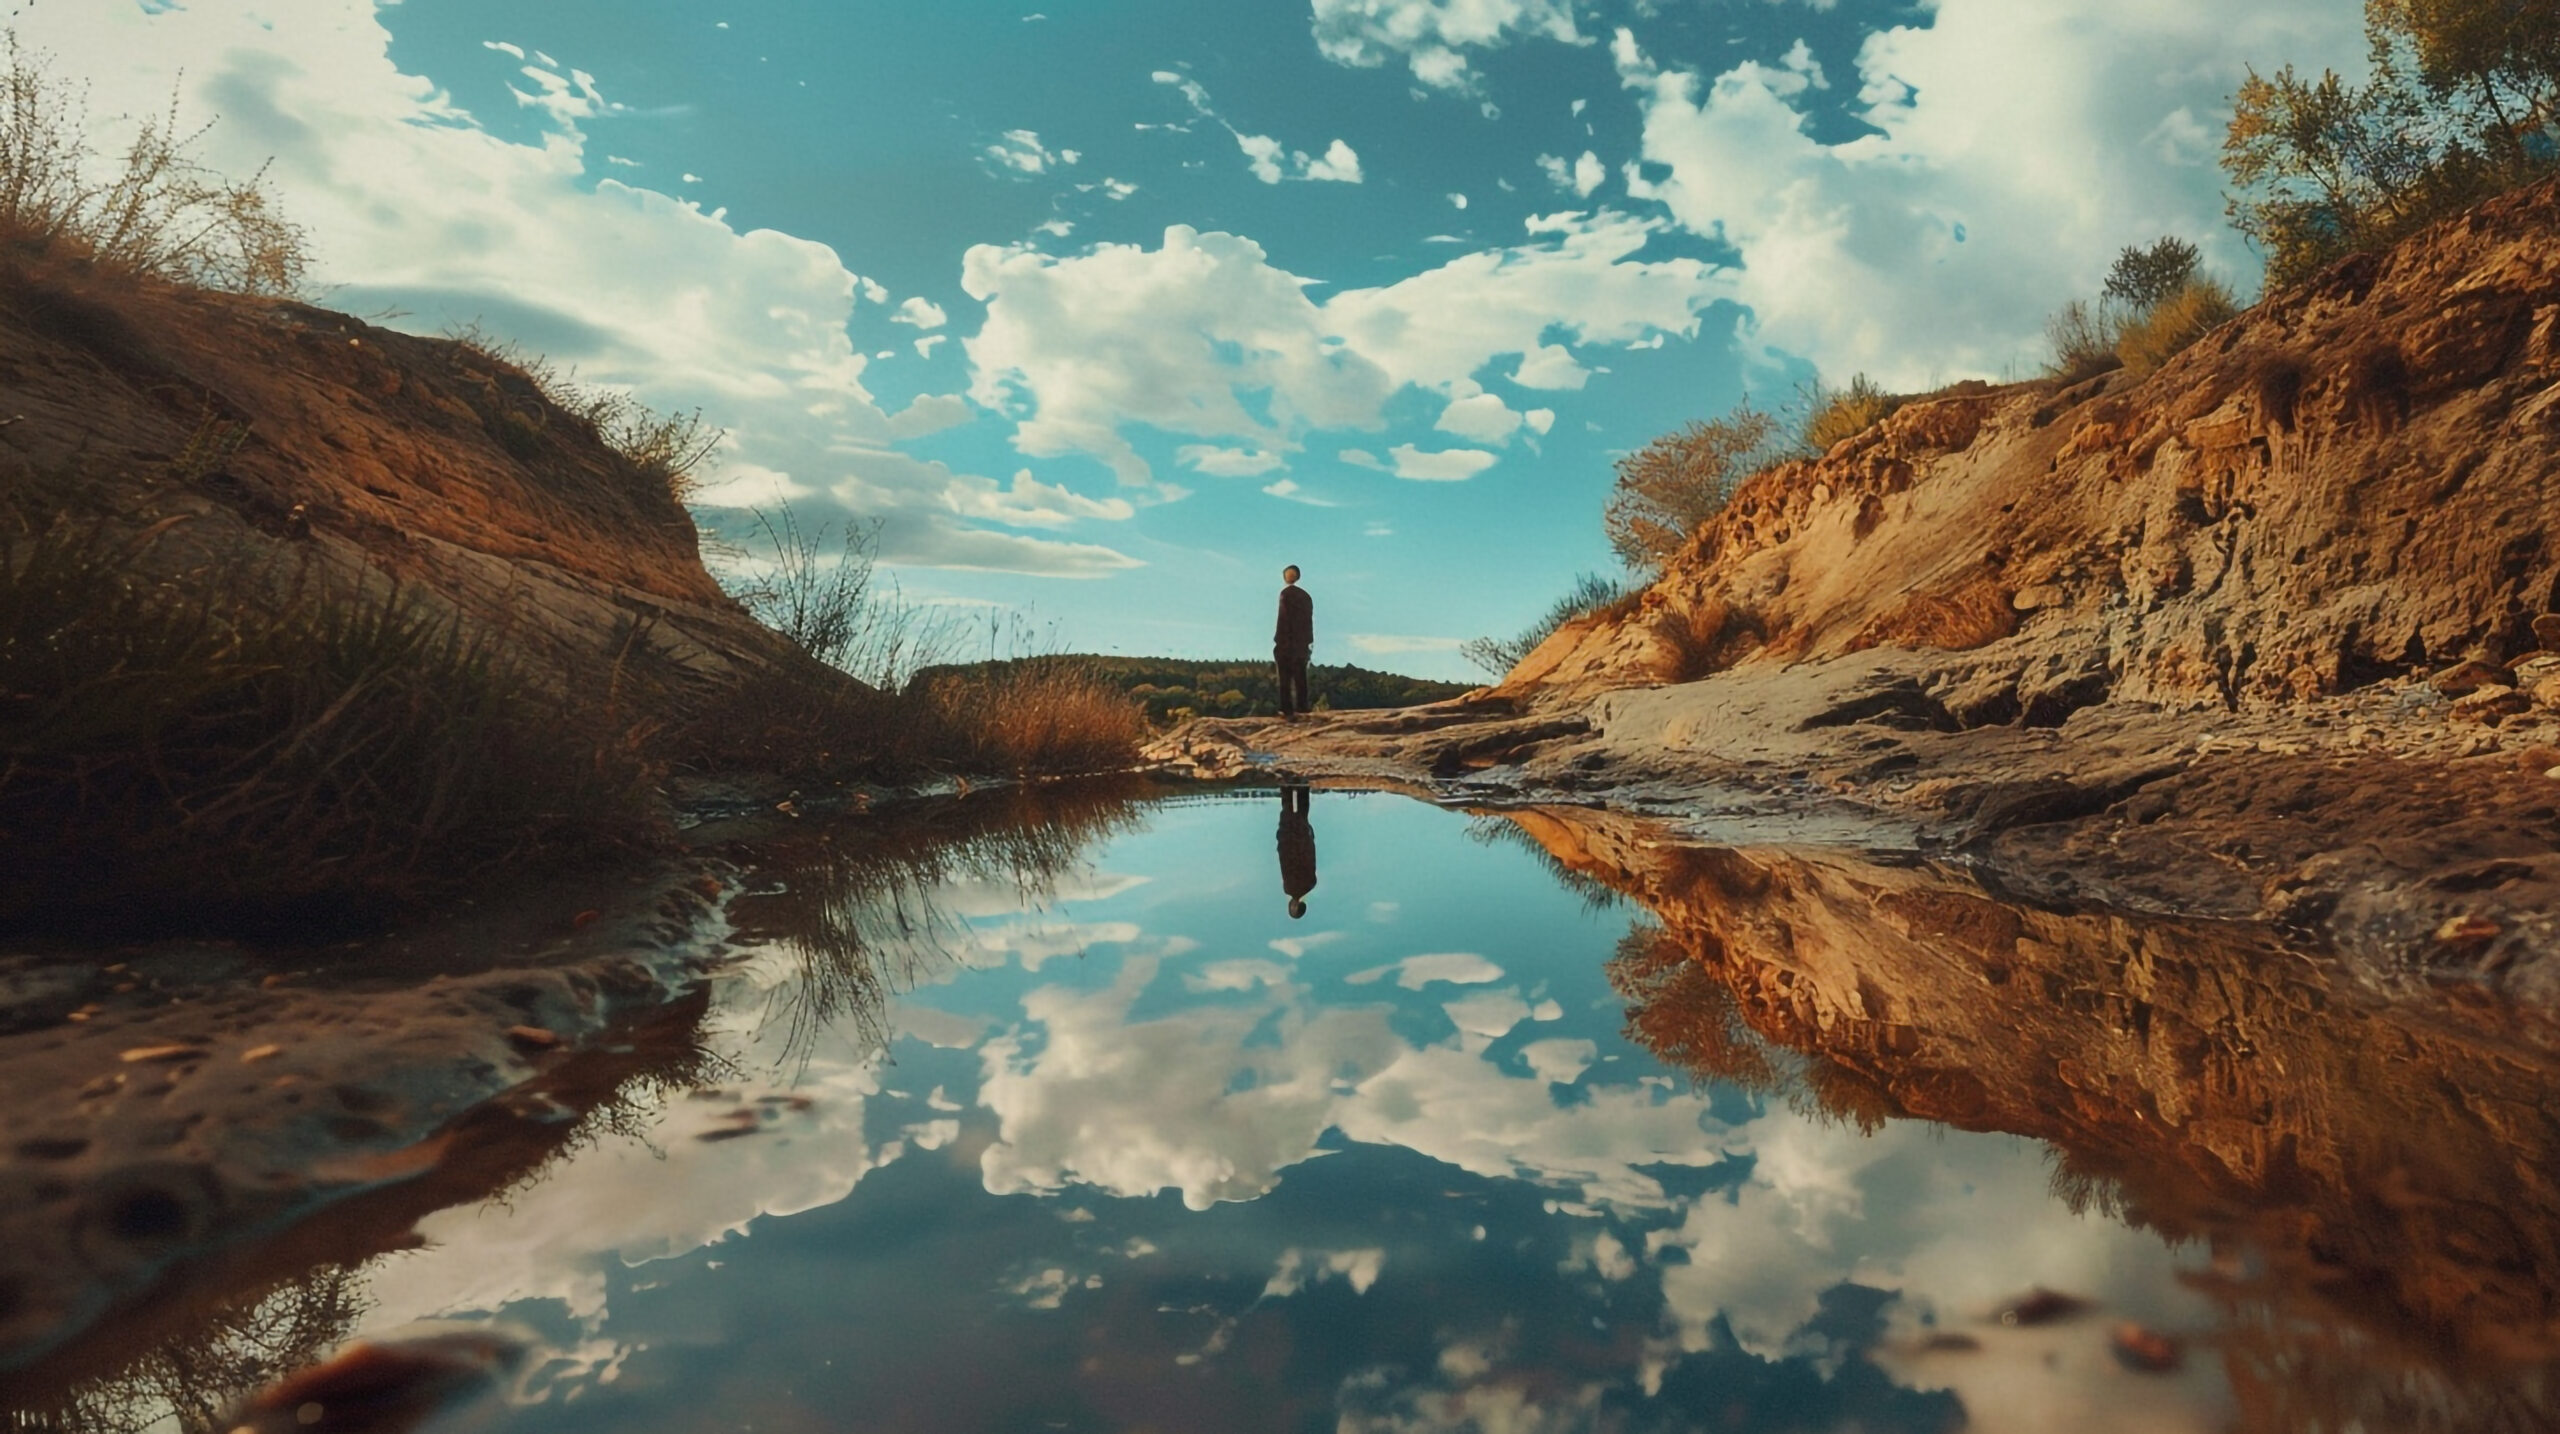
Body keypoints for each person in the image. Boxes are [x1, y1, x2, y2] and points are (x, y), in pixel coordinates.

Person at [1274, 563, 1313, 719]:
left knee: (1285, 676)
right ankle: (1302, 706)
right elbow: (1309, 621)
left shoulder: (1286, 594)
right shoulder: (1306, 596)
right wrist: (1309, 640)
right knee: (1299, 675)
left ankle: (1287, 709)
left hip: (1287, 642)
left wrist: (1278, 639)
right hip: (1301, 643)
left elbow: (1282, 620)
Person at [1277, 782, 1317, 919]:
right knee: (1289, 810)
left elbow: (1311, 859)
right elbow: (1285, 862)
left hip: (1299, 843)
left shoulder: (1310, 884)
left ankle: (1301, 786)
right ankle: (1288, 785)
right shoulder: (1289, 888)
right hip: (1290, 843)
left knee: (1301, 812)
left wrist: (1310, 839)